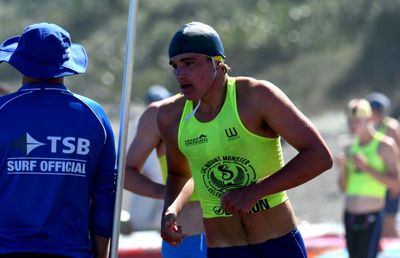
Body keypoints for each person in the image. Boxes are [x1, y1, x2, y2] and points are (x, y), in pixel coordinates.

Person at [157, 21, 333, 258]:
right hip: (224, 249)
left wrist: (255, 192)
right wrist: (171, 210)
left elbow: (319, 156)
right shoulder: (171, 116)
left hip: (277, 243)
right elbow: (180, 173)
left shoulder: (256, 96)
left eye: (189, 63)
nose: (180, 74)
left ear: (217, 63)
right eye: (175, 66)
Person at [0, 23, 117, 258]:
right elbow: (106, 193)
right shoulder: (94, 117)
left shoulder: (3, 110)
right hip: (72, 252)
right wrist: (102, 250)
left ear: (20, 61)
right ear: (66, 63)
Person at [124, 85, 207, 257]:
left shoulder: (240, 104)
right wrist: (168, 193)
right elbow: (126, 172)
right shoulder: (157, 115)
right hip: (184, 234)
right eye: (177, 65)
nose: (182, 72)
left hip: (234, 236)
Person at [336, 98, 400, 258]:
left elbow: (396, 184)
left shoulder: (385, 145)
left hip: (371, 215)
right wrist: (343, 169)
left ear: (369, 119)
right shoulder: (350, 147)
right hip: (349, 214)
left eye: (357, 121)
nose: (352, 125)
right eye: (350, 121)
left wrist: (367, 168)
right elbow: (343, 188)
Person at [367, 92, 400, 238]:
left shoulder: (390, 127)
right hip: (379, 178)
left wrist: (396, 183)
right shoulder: (371, 127)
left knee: (389, 221)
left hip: (391, 178)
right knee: (378, 222)